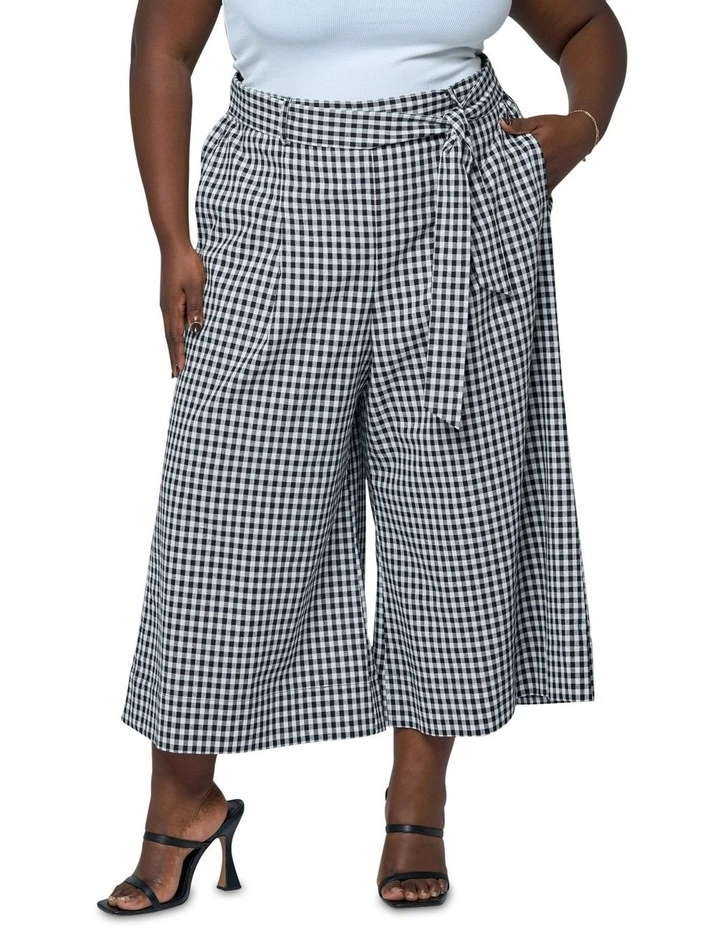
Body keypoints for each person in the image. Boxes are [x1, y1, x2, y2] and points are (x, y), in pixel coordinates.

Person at [99, 0, 626, 914]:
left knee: (451, 516)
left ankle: (417, 802)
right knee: (224, 524)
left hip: (459, 199)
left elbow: (588, 26)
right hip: (276, 197)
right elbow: (163, 47)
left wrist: (580, 130)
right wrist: (171, 237)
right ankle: (182, 802)